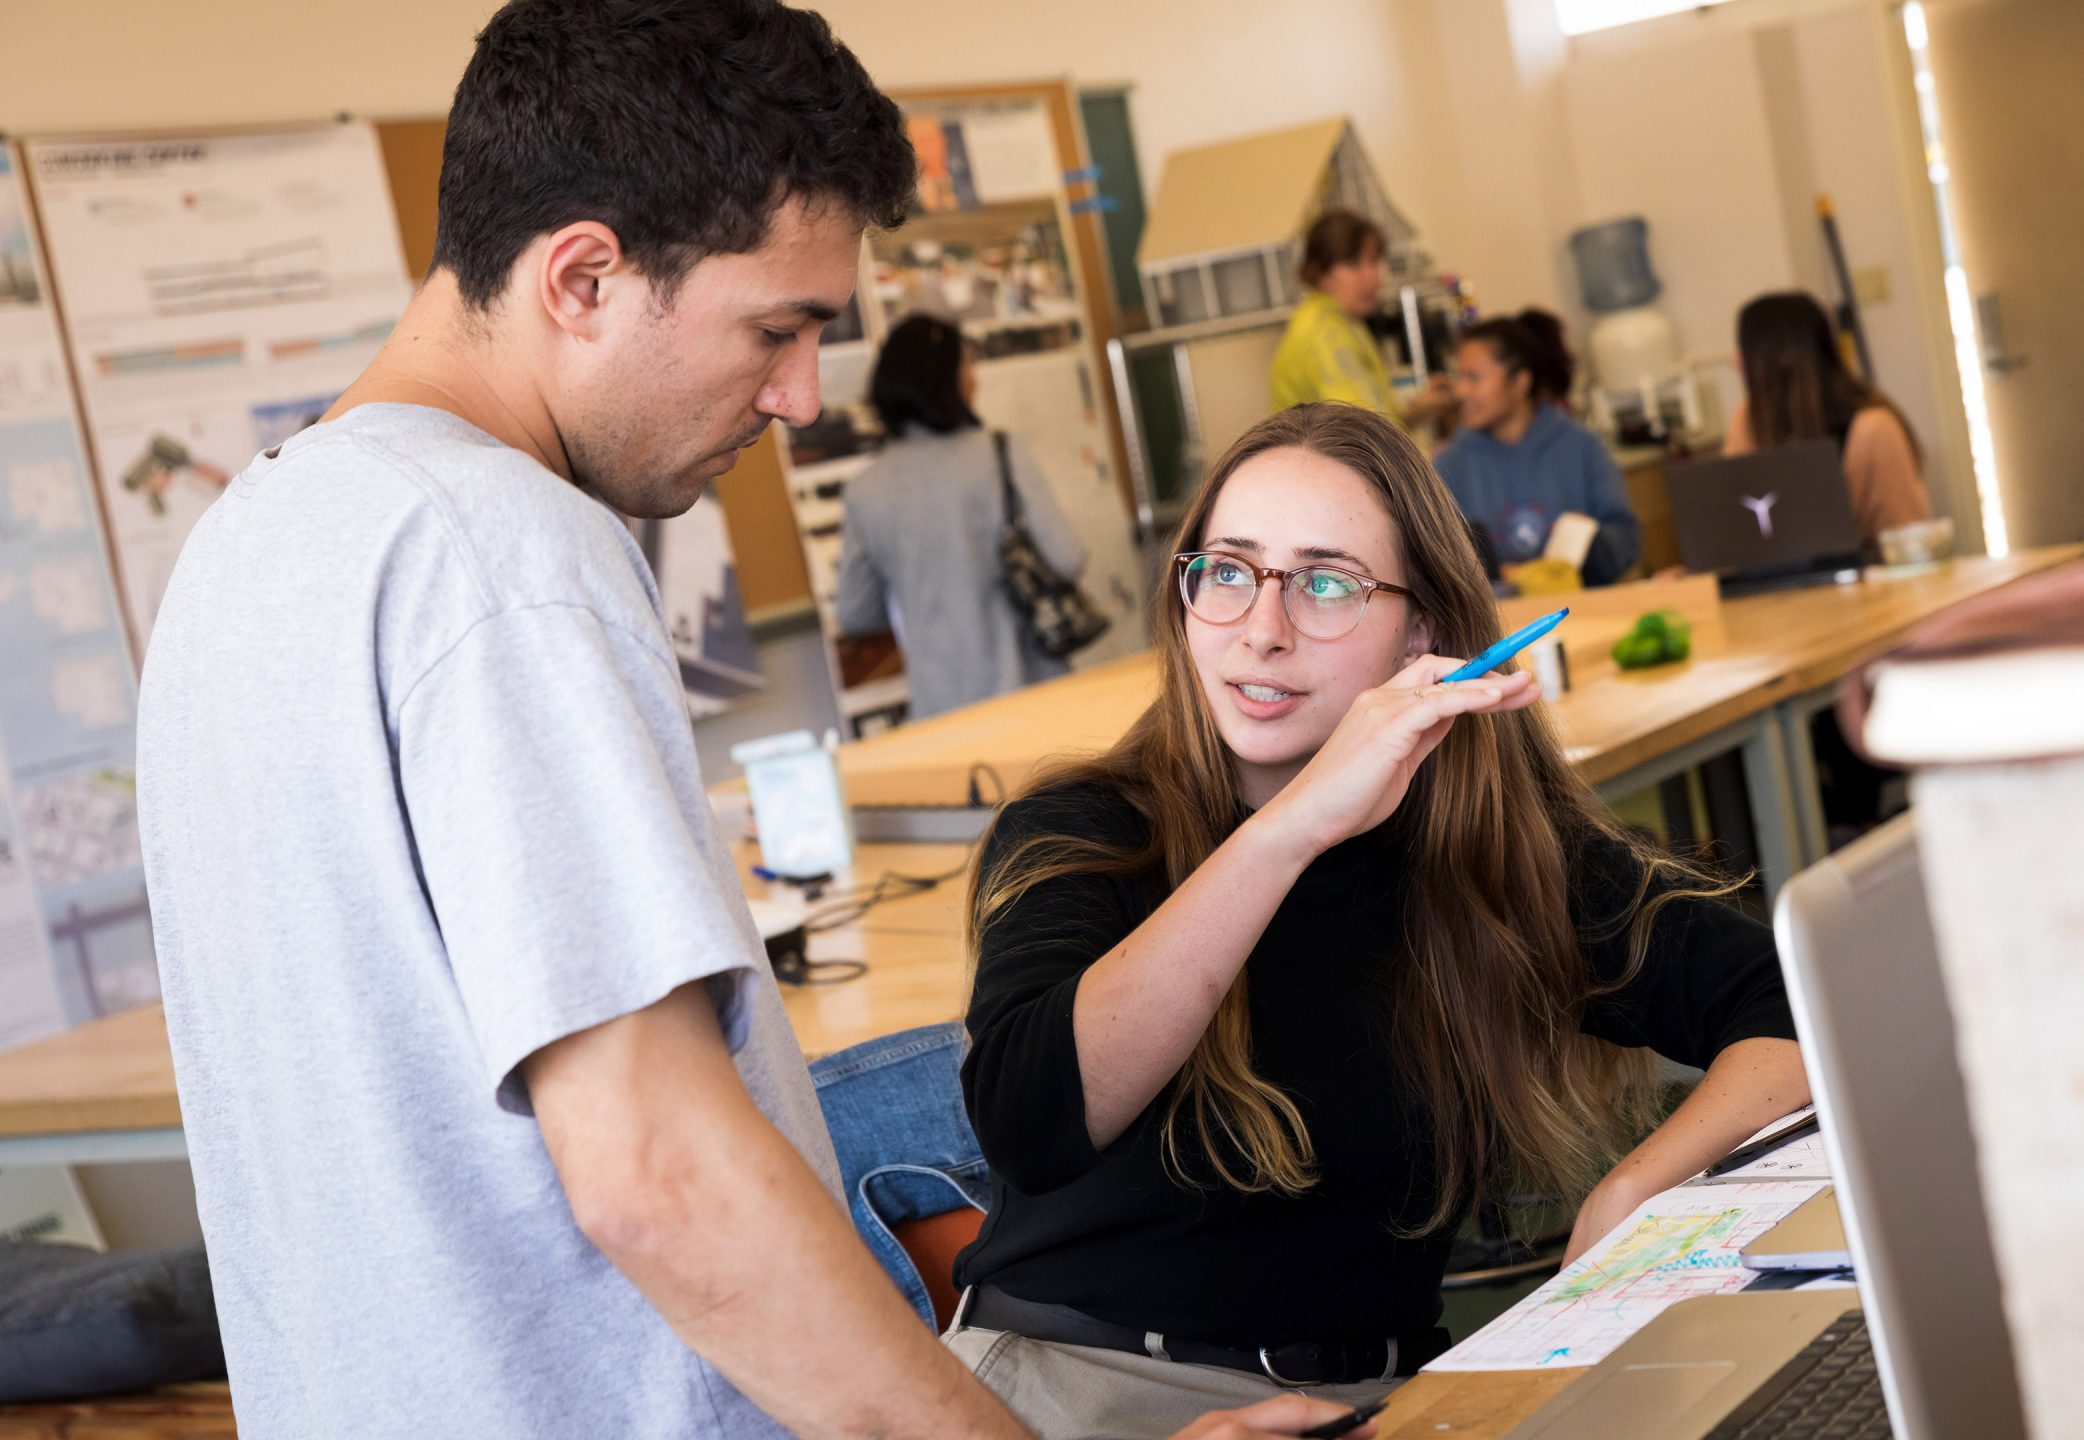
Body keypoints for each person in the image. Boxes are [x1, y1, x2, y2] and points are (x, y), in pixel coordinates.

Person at [131, 4, 1357, 1438]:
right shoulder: (505, 552)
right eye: (778, 330)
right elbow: (659, 1170)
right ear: (582, 276)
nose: (800, 396)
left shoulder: (249, 543)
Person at [944, 401, 1811, 1438]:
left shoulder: (1493, 849)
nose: (1262, 629)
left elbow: (1800, 1005)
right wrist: (1293, 827)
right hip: (1075, 1384)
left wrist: (1635, 1197)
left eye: (1325, 584)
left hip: (1380, 1406)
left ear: (1425, 633)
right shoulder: (1082, 828)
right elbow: (1031, 1116)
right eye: (1228, 570)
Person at [837, 313, 1086, 720]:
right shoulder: (1002, 452)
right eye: (967, 364)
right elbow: (1067, 558)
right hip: (1033, 693)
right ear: (945, 379)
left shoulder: (866, 491)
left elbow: (854, 613)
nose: (975, 379)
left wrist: (922, 595)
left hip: (941, 708)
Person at [1435, 309, 1640, 586]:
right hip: (1495, 623)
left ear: (1520, 382)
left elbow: (1626, 538)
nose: (1461, 392)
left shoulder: (1582, 448)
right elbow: (1432, 559)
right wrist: (1490, 572)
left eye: (1474, 378)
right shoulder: (1449, 465)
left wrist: (1588, 548)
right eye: (1459, 377)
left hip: (1581, 614)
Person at [1723, 290, 1933, 546]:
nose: (1736, 362)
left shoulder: (1873, 428)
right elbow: (1738, 524)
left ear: (1783, 355)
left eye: (1745, 350)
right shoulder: (1748, 419)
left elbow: (1913, 540)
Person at [1268, 209, 1453, 425]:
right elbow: (1365, 432)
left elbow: (1374, 419)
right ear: (1321, 273)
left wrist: (1422, 405)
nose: (1372, 276)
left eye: (1374, 262)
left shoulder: (1342, 321)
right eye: (1353, 263)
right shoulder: (1325, 334)